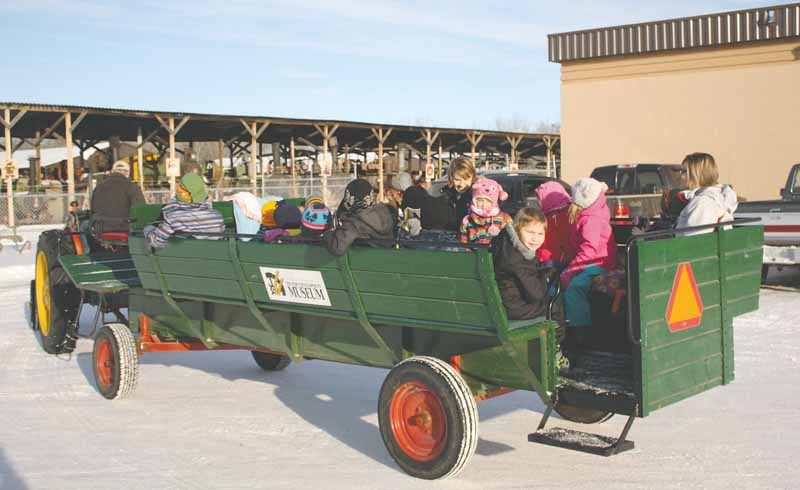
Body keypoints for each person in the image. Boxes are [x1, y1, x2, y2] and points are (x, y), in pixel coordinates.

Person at [492, 207, 567, 365]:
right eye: (530, 232)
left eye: (540, 234)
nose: (535, 239)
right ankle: (554, 352)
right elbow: (537, 294)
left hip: (504, 302)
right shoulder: (517, 261)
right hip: (514, 308)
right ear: (518, 230)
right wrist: (545, 272)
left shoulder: (507, 244)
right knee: (554, 307)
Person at [561, 178, 617, 336]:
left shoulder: (591, 220)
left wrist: (570, 271)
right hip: (590, 261)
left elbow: (589, 251)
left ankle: (580, 330)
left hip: (598, 262)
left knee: (575, 287)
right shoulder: (585, 215)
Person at [145, 174, 225, 249]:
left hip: (180, 261)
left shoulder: (173, 218)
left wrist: (149, 230)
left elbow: (156, 242)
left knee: (148, 229)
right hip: (213, 260)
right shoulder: (218, 217)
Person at [324, 178, 396, 256]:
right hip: (387, 259)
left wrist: (328, 233)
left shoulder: (354, 223)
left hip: (366, 263)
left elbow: (337, 248)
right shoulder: (385, 212)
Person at [675, 152, 738, 234]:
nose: (680, 175)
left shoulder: (703, 202)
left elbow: (692, 239)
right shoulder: (708, 198)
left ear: (696, 174)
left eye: (684, 171)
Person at [90, 160, 145, 235]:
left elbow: (93, 209)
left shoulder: (98, 187)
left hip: (100, 229)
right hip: (125, 229)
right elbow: (140, 210)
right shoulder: (133, 187)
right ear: (127, 173)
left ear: (112, 171)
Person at [459, 177, 512, 244]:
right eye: (480, 200)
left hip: (496, 253)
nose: (483, 204)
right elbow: (463, 242)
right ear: (474, 201)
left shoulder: (504, 219)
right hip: (475, 253)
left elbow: (510, 241)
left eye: (488, 201)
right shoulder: (468, 220)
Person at [535, 181, 571, 265]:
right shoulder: (570, 214)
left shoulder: (547, 218)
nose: (538, 202)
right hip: (567, 257)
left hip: (549, 258)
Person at [441, 157, 477, 230]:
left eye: (466, 179)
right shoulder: (444, 195)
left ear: (473, 177)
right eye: (457, 180)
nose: (462, 184)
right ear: (451, 178)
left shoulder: (478, 196)